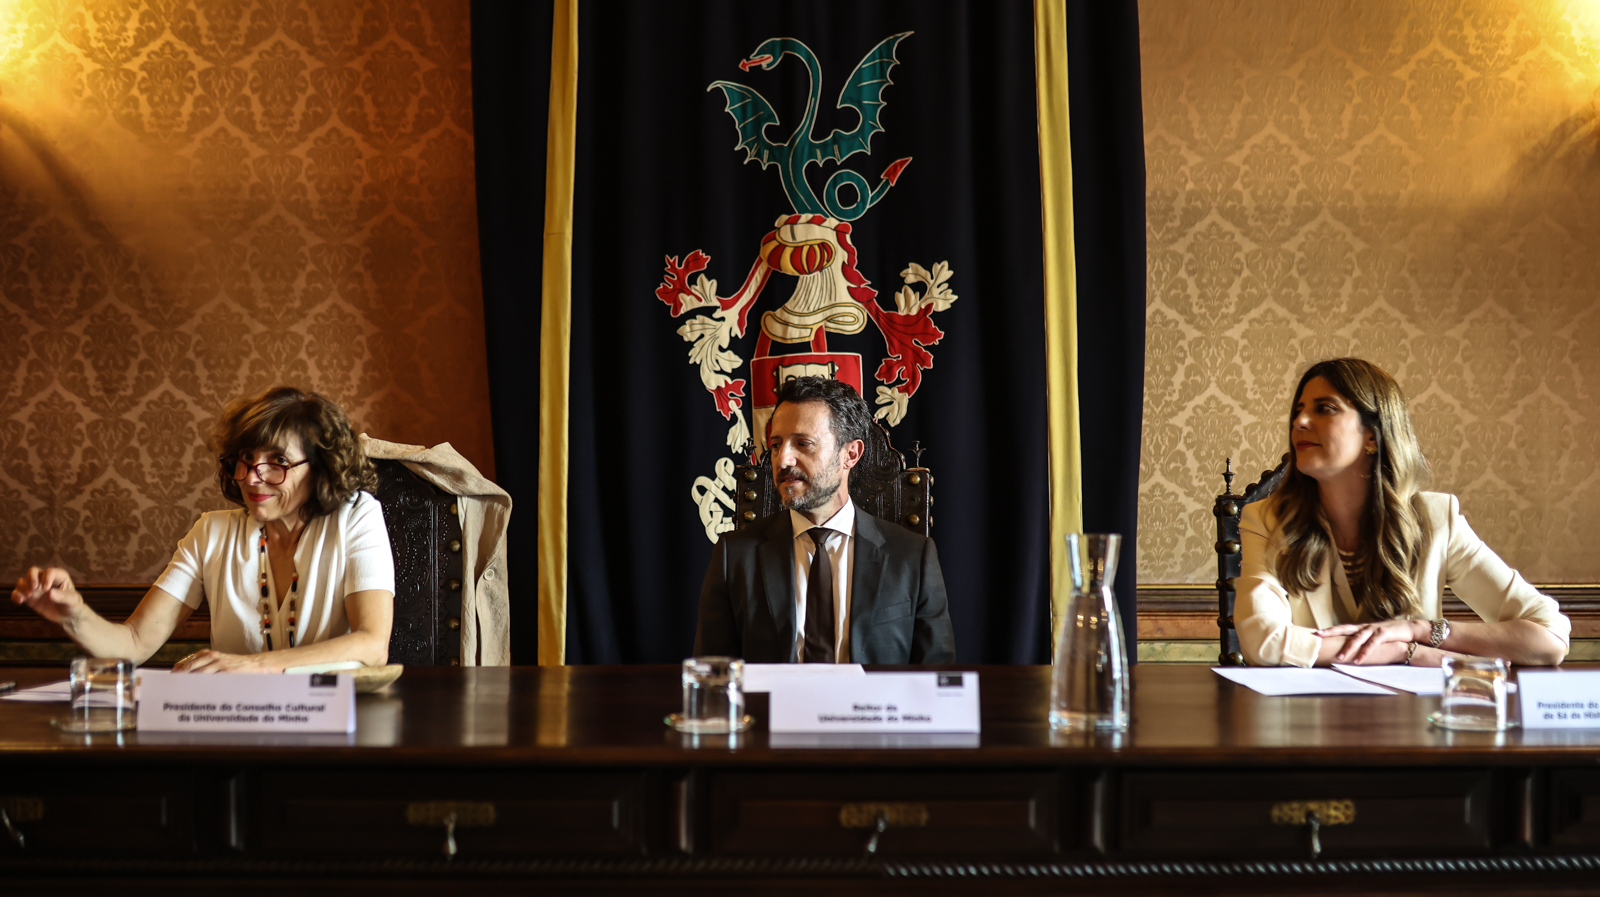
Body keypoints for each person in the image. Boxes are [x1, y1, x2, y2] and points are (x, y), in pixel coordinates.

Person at [11, 387, 395, 672]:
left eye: (277, 461)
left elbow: (372, 645)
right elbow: (134, 644)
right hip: (230, 723)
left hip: (334, 722)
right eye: (246, 460)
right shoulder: (211, 533)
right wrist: (72, 613)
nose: (253, 478)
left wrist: (254, 667)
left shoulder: (356, 518)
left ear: (321, 467)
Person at [1235, 358, 1569, 668]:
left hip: (1414, 722)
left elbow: (1549, 637)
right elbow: (1263, 641)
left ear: (1372, 436)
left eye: (1324, 409)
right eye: (1299, 410)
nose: (1300, 422)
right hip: (1307, 722)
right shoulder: (1265, 520)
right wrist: (1401, 652)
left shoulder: (1438, 519)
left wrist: (1420, 632)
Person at [694, 376, 956, 663]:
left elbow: (936, 679)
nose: (783, 460)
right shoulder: (735, 556)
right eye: (776, 445)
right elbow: (713, 676)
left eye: (803, 443)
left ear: (850, 454)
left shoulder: (913, 557)